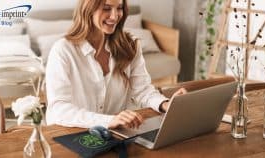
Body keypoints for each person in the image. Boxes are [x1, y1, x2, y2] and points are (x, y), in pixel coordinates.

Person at [46, 0, 185, 129]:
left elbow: (142, 90)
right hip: (74, 134)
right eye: (106, 8)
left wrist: (165, 104)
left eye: (119, 8)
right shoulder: (63, 50)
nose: (114, 16)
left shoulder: (130, 45)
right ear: (88, 9)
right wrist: (108, 121)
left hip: (117, 135)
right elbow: (58, 109)